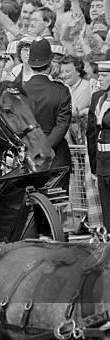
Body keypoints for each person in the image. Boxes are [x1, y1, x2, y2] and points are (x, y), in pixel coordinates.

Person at [23, 38, 72, 191]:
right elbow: (62, 125)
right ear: (50, 63)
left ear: (30, 64)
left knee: (29, 208)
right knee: (57, 207)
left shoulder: (20, 91)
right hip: (56, 157)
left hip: (29, 157)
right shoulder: (61, 90)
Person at [87, 59, 110, 229]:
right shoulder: (98, 98)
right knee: (107, 214)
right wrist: (94, 167)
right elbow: (92, 133)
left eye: (104, 75)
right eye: (99, 74)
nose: (99, 79)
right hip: (102, 162)